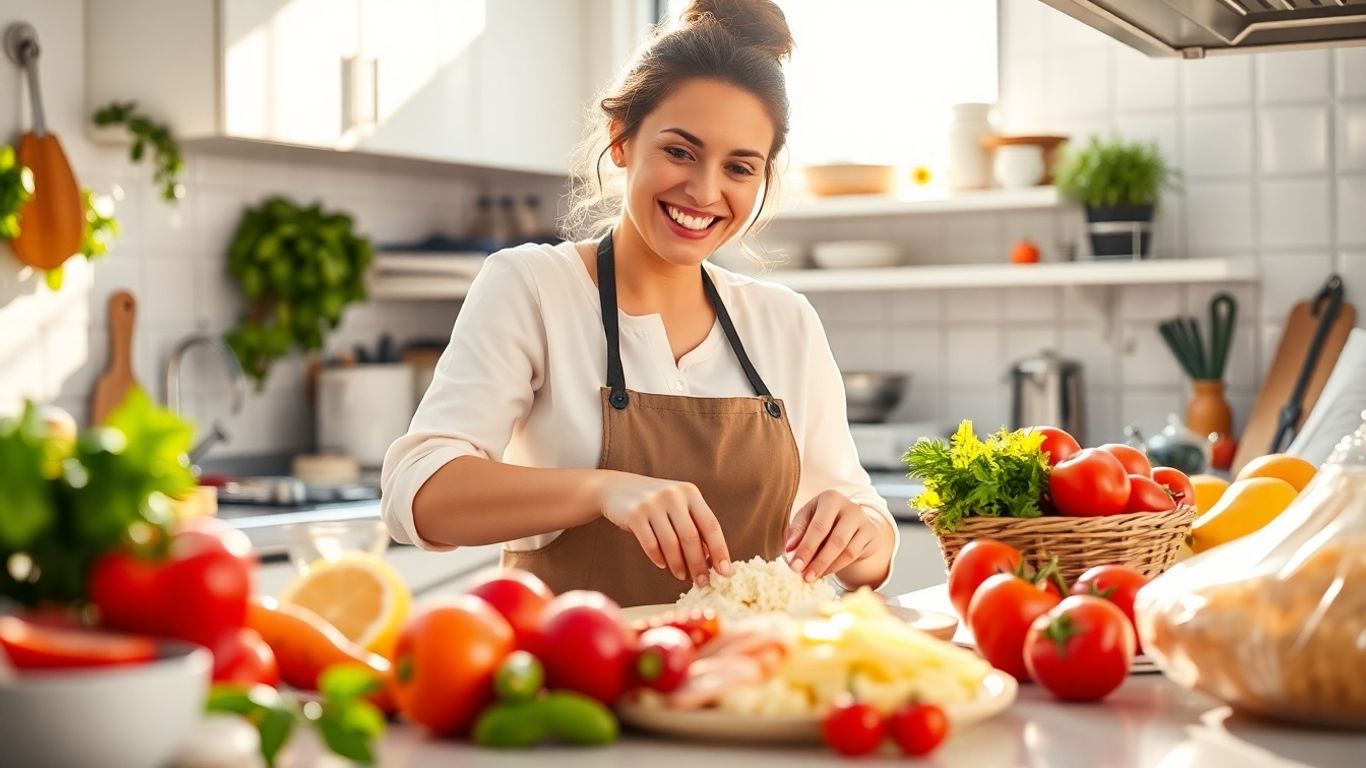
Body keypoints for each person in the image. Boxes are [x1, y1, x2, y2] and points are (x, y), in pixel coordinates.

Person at [381, 0, 898, 606]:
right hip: (578, 685)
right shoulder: (532, 286)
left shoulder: (785, 322)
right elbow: (417, 496)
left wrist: (861, 533)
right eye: (680, 151)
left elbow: (867, 532)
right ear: (621, 139)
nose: (705, 191)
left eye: (739, 167)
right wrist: (603, 491)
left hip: (752, 684)